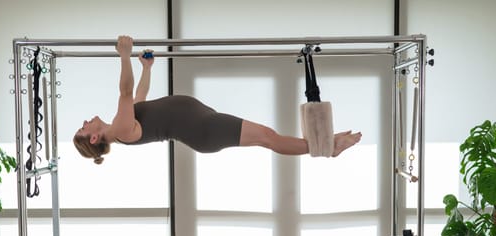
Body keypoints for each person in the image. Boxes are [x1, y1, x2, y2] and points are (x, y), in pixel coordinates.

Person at [73, 36, 362, 164]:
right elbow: (126, 92)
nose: (85, 121)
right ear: (95, 138)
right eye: (83, 128)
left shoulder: (122, 125)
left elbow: (138, 97)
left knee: (267, 137)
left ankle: (325, 147)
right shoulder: (121, 131)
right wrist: (124, 54)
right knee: (268, 137)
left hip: (205, 125)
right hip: (204, 131)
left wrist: (145, 69)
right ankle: (326, 149)